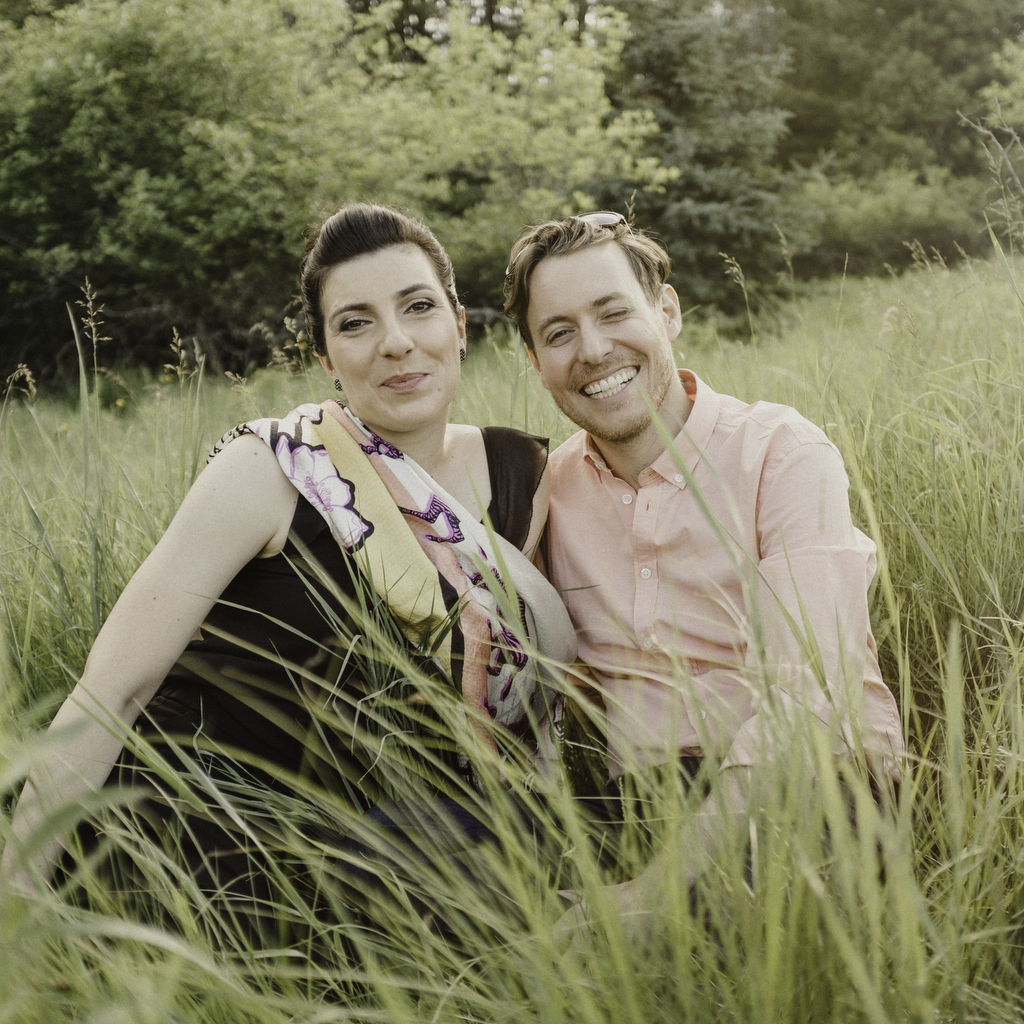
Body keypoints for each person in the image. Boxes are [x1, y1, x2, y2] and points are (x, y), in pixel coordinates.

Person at [2, 203, 575, 911]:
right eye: (356, 323)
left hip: (382, 838)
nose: (395, 343)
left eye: (418, 307)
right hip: (198, 824)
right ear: (327, 358)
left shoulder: (523, 473)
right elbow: (112, 690)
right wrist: (16, 896)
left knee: (501, 856)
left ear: (459, 326)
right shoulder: (273, 468)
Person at [503, 211, 904, 946]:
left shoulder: (783, 452)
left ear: (668, 311)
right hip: (645, 800)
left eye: (614, 312)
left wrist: (660, 889)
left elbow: (806, 696)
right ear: (534, 360)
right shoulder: (546, 488)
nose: (593, 350)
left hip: (816, 784)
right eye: (559, 333)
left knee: (711, 941)